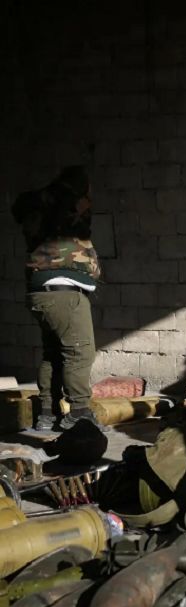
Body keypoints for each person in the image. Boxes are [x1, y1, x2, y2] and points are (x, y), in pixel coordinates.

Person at [12, 166, 103, 431]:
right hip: (64, 292)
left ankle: (46, 415)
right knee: (80, 353)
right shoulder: (68, 205)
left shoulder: (40, 205)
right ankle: (79, 414)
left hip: (39, 290)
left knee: (53, 354)